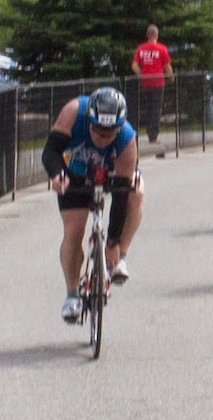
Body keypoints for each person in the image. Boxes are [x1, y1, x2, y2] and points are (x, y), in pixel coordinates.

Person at [42, 88, 144, 324]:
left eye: (109, 134)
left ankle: (119, 258)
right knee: (74, 231)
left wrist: (113, 242)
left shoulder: (127, 139)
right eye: (97, 130)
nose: (102, 138)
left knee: (136, 193)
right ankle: (72, 295)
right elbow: (50, 151)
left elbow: (120, 196)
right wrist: (56, 174)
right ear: (89, 118)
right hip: (74, 174)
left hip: (111, 174)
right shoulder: (73, 111)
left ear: (119, 127)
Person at [132, 24, 173, 143]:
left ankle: (148, 130)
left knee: (148, 108)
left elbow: (134, 66)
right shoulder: (161, 49)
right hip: (158, 82)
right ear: (156, 35)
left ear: (147, 35)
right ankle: (153, 136)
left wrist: (142, 74)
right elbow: (167, 66)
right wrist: (171, 77)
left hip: (146, 82)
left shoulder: (141, 49)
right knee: (156, 109)